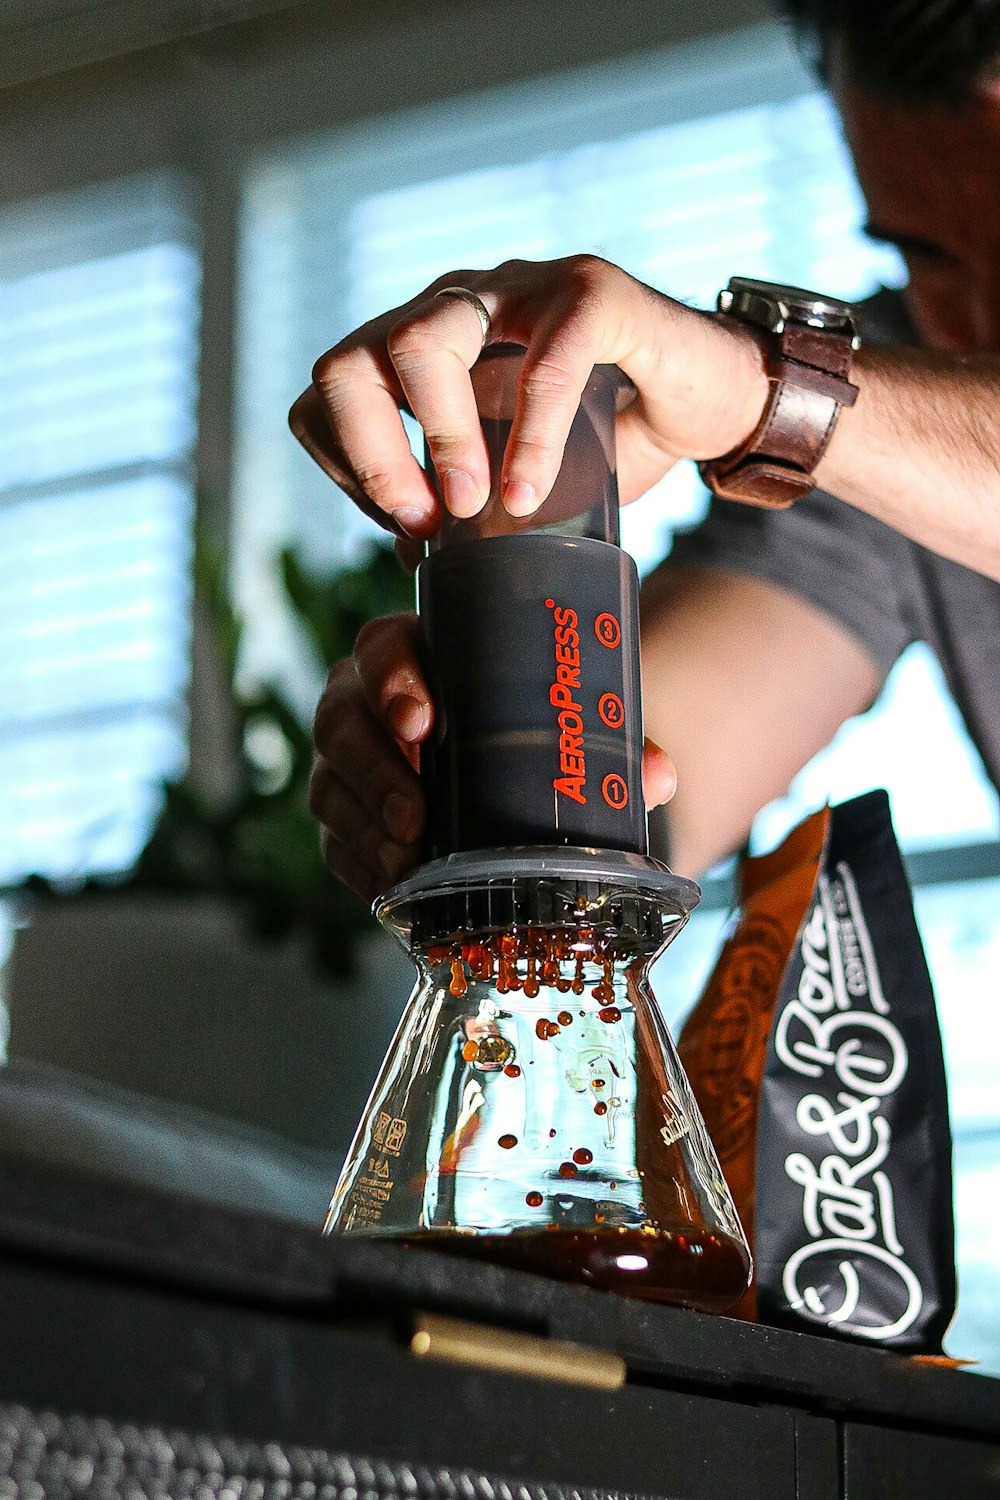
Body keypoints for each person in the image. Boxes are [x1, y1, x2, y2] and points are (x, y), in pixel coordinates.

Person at [290, 0, 1000, 903]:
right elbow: (658, 776)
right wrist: (485, 760)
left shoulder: (824, 413)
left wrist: (756, 391)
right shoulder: (875, 417)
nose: (977, 325)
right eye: (929, 258)